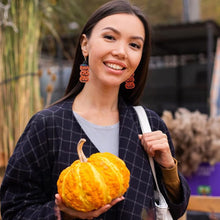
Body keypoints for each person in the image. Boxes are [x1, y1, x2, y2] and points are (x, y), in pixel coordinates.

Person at [0, 0, 190, 219]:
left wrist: (168, 167)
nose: (121, 51)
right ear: (85, 45)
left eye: (134, 45)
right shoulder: (47, 125)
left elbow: (176, 208)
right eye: (110, 37)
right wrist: (66, 214)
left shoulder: (149, 124)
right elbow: (14, 208)